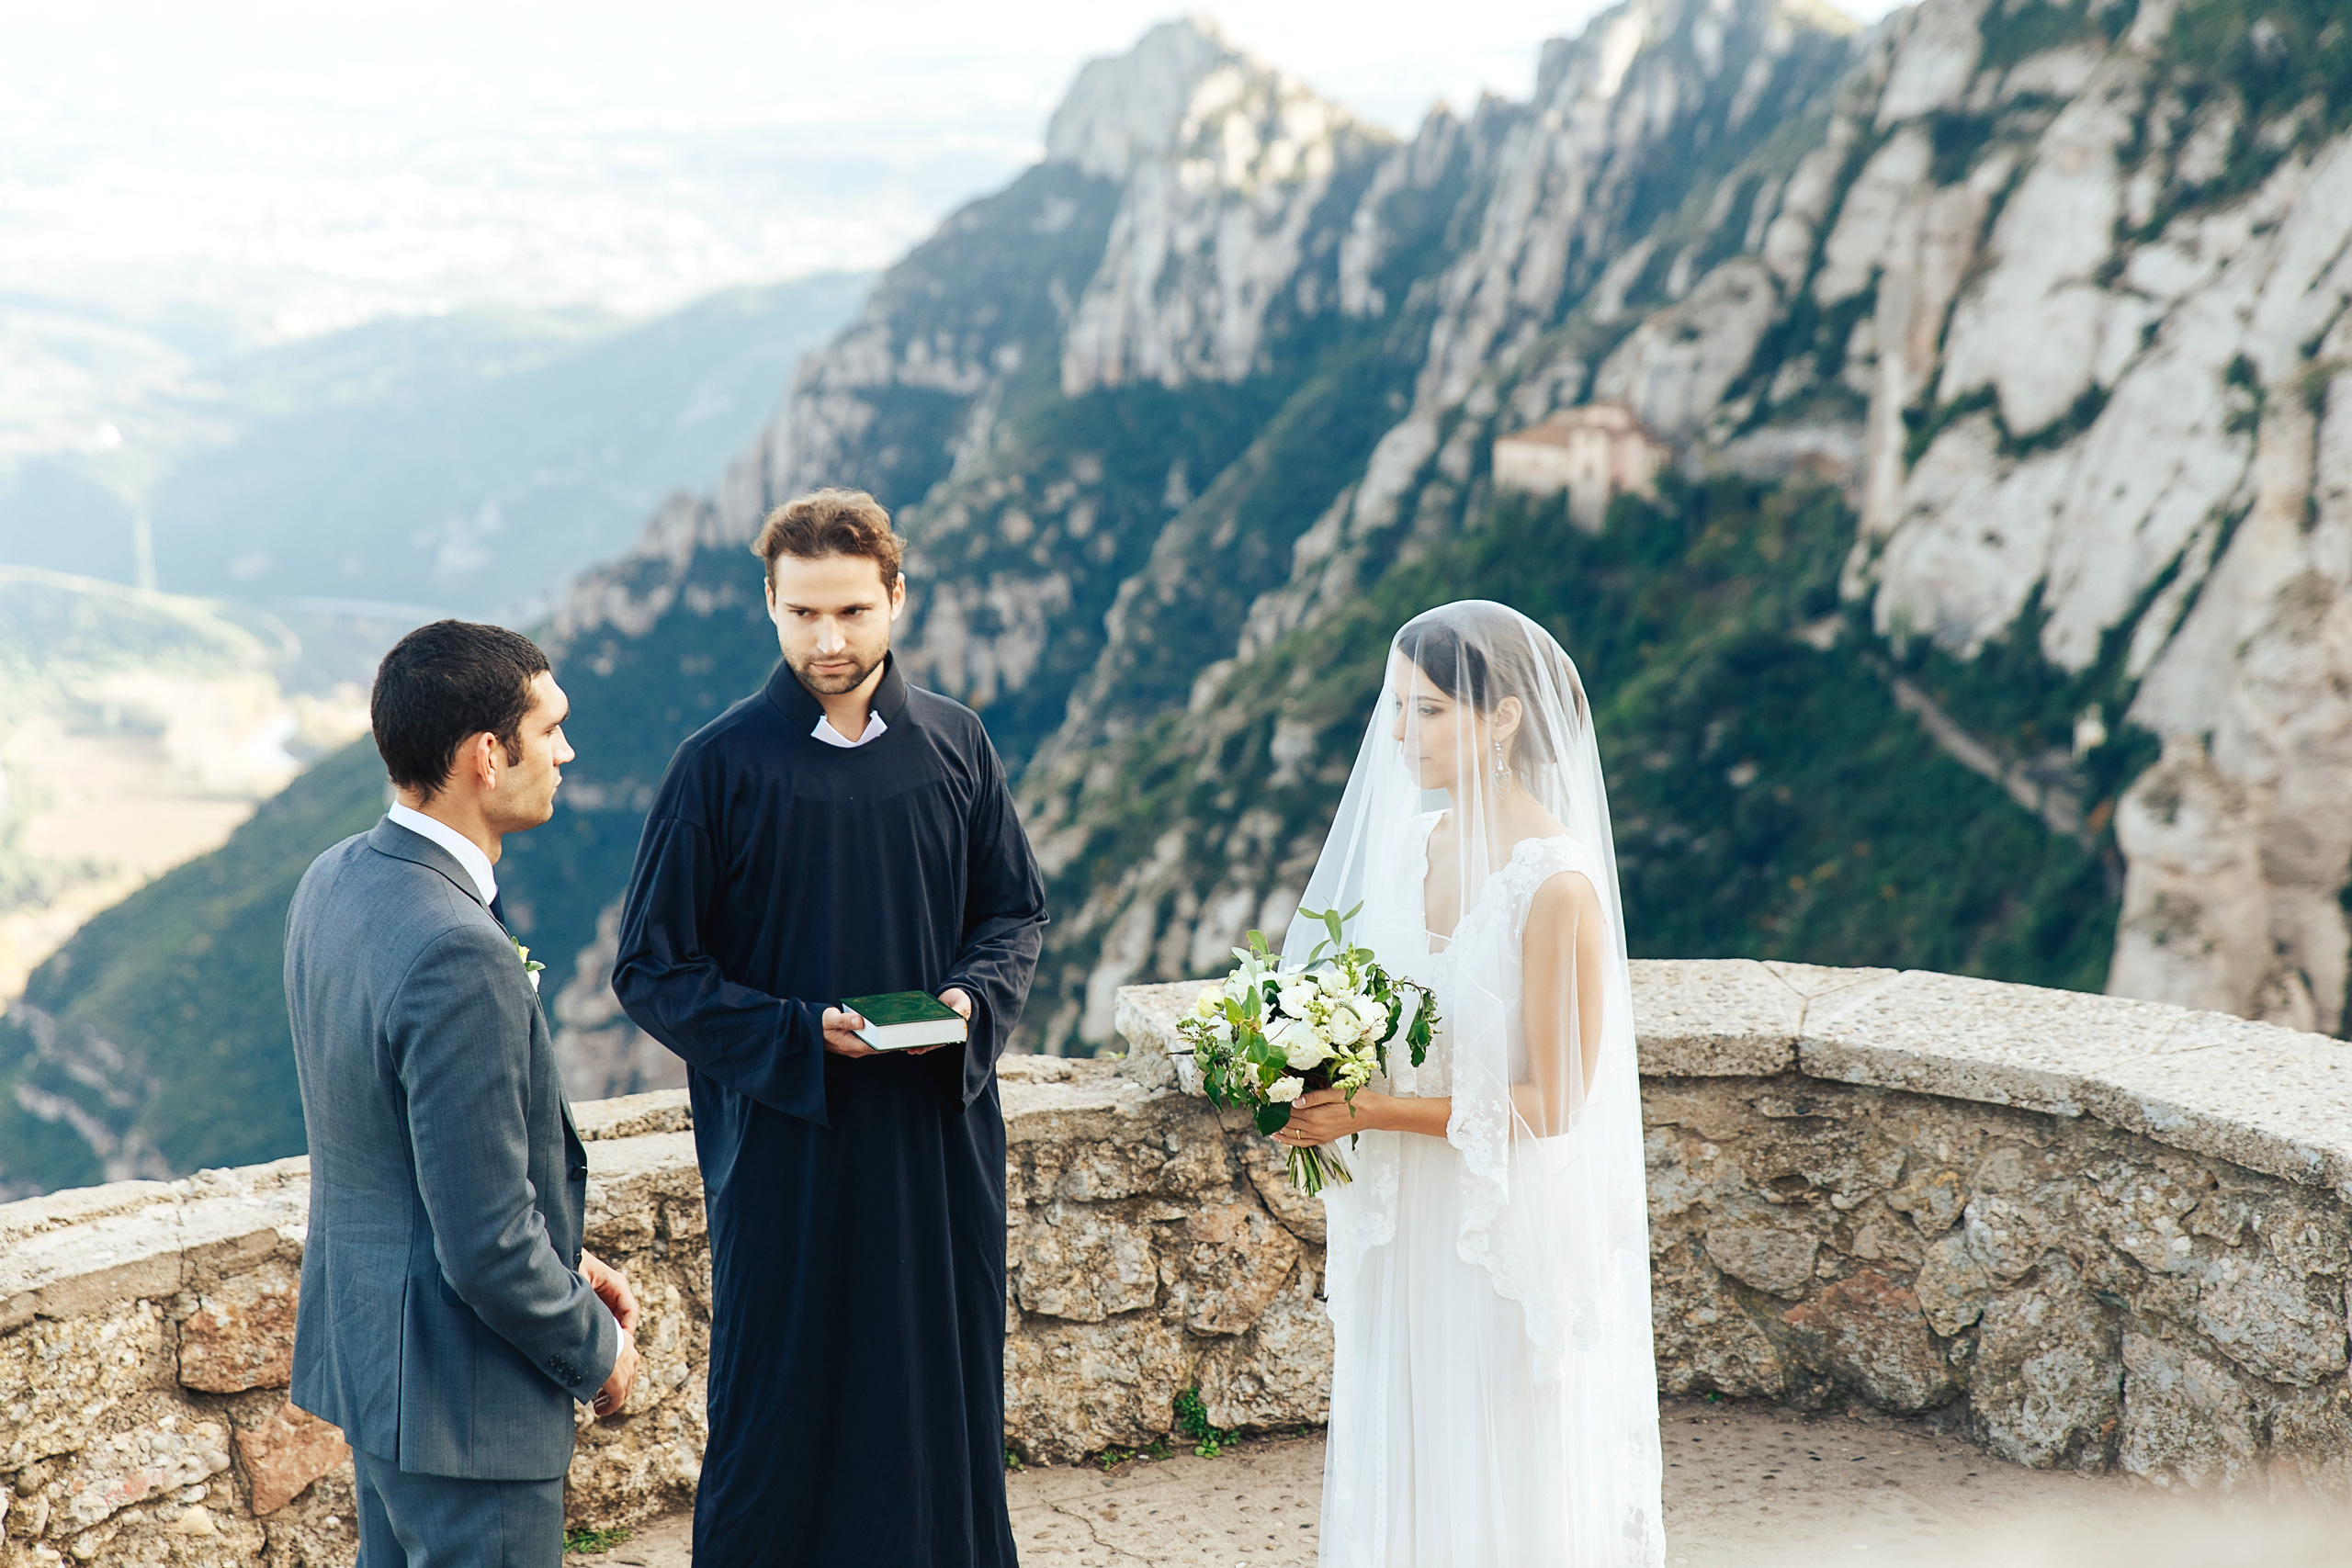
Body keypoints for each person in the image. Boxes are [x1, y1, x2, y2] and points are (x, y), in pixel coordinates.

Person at [611, 487, 1047, 1568]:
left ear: (896, 599)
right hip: (785, 1153)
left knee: (934, 1395)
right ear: (769, 605)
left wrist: (970, 1002)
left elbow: (1013, 912)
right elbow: (651, 969)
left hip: (935, 1146)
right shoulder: (717, 768)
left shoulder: (959, 744)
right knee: (780, 1401)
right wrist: (802, 1034)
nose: (829, 638)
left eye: (851, 611)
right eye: (803, 613)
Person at [1270, 601, 1664, 1566]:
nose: (1400, 736)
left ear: (1502, 720)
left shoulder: (1554, 885)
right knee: (1407, 1444)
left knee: (1496, 1456)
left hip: (1494, 1226)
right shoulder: (1413, 847)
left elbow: (1555, 1105)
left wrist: (1376, 1111)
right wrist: (1301, 1061)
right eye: (1396, 709)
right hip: (1403, 1219)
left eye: (1429, 711)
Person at [285, 620, 640, 1568]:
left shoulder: (333, 882)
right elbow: (483, 1245)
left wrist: (566, 1257)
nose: (567, 752)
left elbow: (398, 1151)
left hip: (380, 1372)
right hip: (465, 1406)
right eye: (551, 728)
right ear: (489, 754)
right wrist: (594, 1347)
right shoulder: (457, 948)